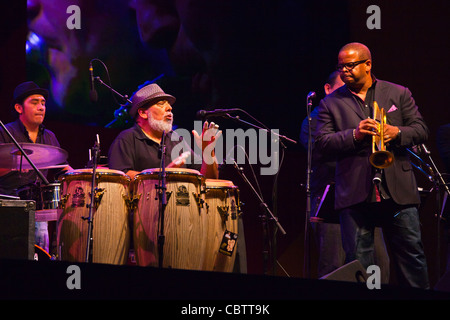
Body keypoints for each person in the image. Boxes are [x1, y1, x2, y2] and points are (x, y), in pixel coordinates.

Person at [315, 42, 429, 288]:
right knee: (358, 264)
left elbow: (421, 130)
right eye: (341, 66)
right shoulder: (330, 103)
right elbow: (321, 143)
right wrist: (355, 135)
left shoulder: (398, 93)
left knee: (412, 260)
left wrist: (395, 132)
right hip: (356, 196)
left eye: (350, 65)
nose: (344, 70)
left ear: (368, 64)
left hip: (398, 193)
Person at [300, 71, 390, 281]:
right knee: (336, 267)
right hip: (331, 200)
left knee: (379, 266)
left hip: (364, 198)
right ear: (328, 90)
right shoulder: (313, 121)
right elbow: (325, 150)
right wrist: (356, 136)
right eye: (342, 89)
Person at [0, 81, 72, 254]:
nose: (41, 107)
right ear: (19, 108)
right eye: (34, 102)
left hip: (38, 208)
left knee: (40, 254)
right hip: (8, 203)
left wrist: (80, 174)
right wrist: (14, 165)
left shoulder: (49, 137)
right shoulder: (4, 132)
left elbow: (62, 168)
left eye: (43, 103)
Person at [108, 83, 219, 179]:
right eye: (161, 104)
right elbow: (122, 178)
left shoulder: (176, 140)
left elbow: (210, 178)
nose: (169, 108)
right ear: (142, 113)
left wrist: (208, 152)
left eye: (169, 104)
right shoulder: (126, 139)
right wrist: (163, 175)